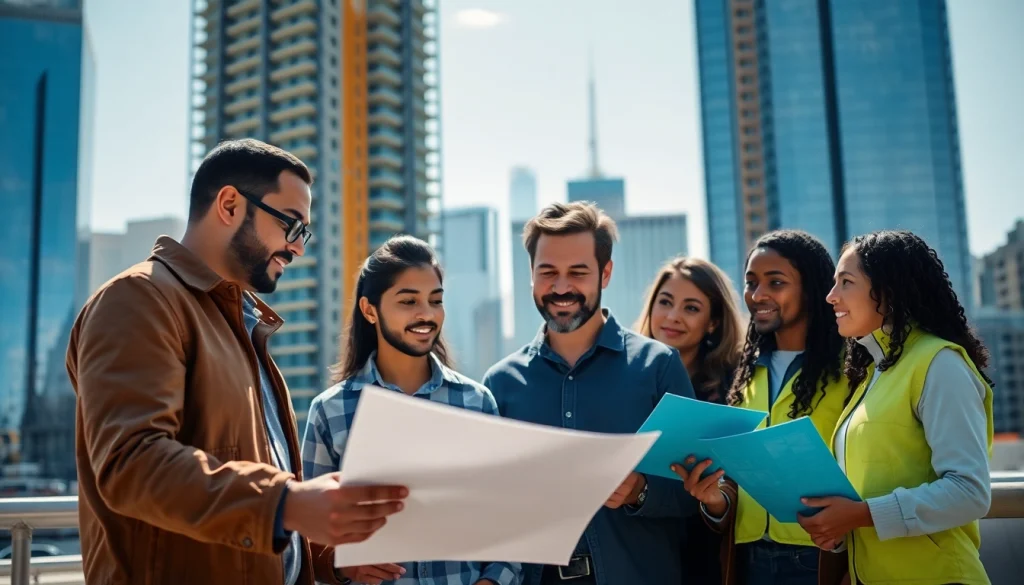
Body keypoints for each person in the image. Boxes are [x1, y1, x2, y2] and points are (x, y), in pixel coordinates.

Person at [67, 139, 407, 585]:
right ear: (229, 204)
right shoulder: (138, 299)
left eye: (303, 233)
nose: (297, 248)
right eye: (291, 225)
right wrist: (289, 503)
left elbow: (254, 499)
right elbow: (131, 463)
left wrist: (327, 556)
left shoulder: (242, 328)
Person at [482, 201, 698, 585]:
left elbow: (695, 492)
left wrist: (640, 491)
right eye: (548, 272)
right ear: (530, 275)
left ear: (606, 273)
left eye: (578, 273)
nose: (561, 288)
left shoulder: (658, 366)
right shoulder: (499, 385)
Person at [302, 235, 522, 585]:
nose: (426, 314)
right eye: (408, 301)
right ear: (369, 310)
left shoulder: (477, 403)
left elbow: (509, 520)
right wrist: (342, 566)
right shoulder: (330, 411)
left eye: (436, 301)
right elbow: (308, 532)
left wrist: (493, 580)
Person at [798, 230, 993, 585]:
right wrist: (839, 530)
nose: (830, 297)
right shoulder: (874, 372)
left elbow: (970, 492)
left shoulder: (939, 363)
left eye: (846, 282)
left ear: (888, 291)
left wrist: (861, 515)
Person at [671, 230, 849, 585]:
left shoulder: (849, 368)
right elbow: (738, 479)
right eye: (751, 283)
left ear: (811, 288)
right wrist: (714, 500)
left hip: (820, 559)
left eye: (776, 282)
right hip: (747, 558)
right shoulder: (745, 370)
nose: (758, 295)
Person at [634, 256, 744, 584]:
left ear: (713, 322)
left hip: (706, 553)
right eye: (665, 302)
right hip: (636, 548)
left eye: (691, 308)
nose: (672, 317)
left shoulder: (735, 387)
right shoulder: (622, 378)